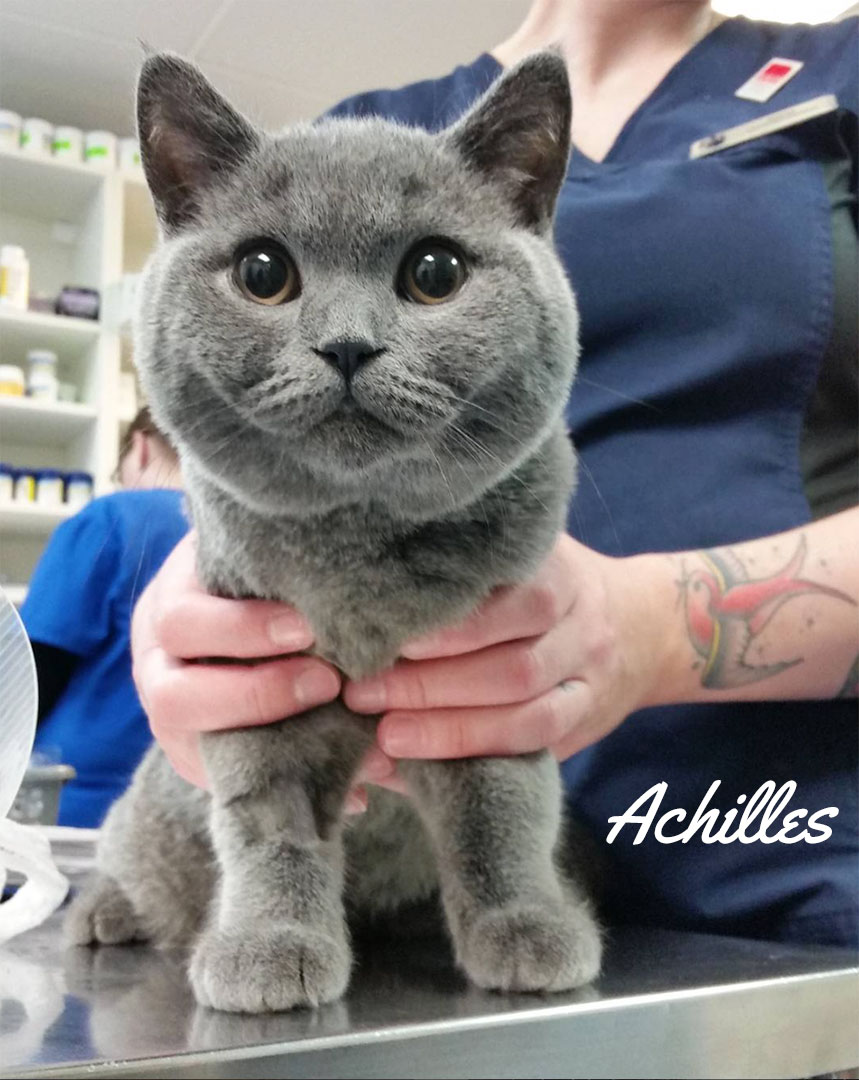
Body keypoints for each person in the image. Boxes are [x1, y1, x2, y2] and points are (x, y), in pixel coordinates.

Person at [130, 1, 858, 948]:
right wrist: (213, 618)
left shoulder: (839, 66)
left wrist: (650, 628)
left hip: (790, 865)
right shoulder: (376, 127)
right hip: (410, 922)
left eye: (432, 274)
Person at [22, 409, 188, 827]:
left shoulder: (110, 519)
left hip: (81, 804)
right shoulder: (245, 533)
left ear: (142, 447)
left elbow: (33, 672)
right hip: (192, 808)